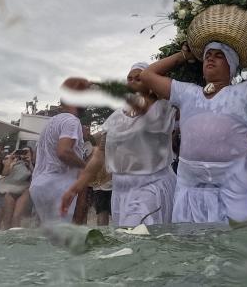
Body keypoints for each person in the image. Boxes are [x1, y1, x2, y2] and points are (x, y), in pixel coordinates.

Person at [139, 39, 247, 223]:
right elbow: (147, 75)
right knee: (193, 250)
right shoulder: (187, 92)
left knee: (231, 250)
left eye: (219, 56)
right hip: (190, 193)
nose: (211, 59)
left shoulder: (246, 92)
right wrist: (183, 55)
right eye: (207, 56)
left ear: (231, 65)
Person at [62, 62, 177, 227]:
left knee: (140, 239)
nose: (132, 81)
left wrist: (182, 56)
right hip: (122, 191)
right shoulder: (115, 118)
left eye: (139, 78)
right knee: (127, 241)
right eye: (129, 78)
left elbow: (163, 83)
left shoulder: (162, 109)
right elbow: (100, 154)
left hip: (150, 188)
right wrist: (76, 187)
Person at [30, 77, 89, 224]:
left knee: (47, 235)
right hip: (58, 186)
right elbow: (63, 152)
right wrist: (85, 167)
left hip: (39, 185)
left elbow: (37, 156)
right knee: (62, 238)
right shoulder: (72, 121)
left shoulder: (50, 123)